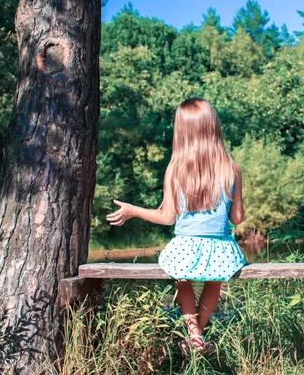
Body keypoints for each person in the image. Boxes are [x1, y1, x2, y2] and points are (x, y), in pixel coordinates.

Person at [106, 97, 247, 356]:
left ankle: (194, 336)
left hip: (185, 246)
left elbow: (168, 217)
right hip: (221, 248)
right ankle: (198, 336)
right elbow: (237, 219)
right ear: (212, 127)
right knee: (213, 284)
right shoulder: (231, 168)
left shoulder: (175, 169)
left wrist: (133, 210)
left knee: (182, 280)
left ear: (181, 131)